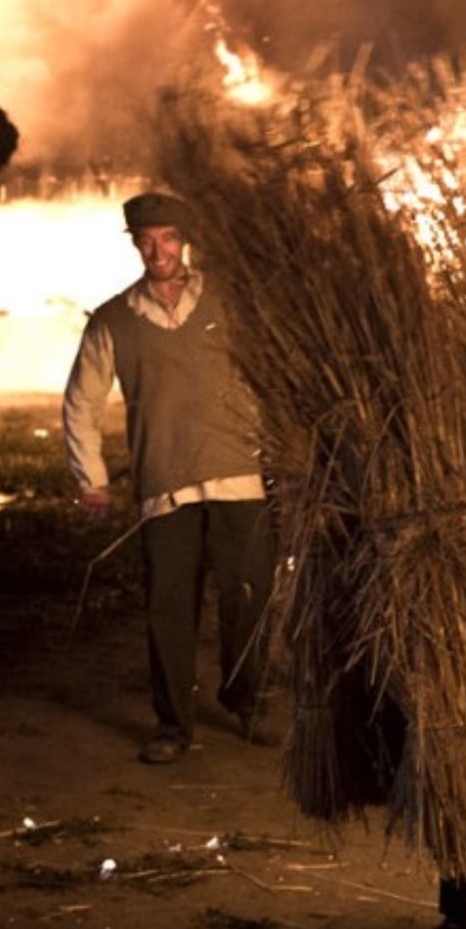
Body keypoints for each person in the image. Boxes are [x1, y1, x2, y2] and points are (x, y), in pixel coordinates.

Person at [62, 191, 277, 764]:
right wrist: (93, 479)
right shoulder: (113, 320)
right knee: (169, 607)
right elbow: (81, 401)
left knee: (249, 594)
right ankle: (173, 725)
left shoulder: (234, 303)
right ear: (135, 244)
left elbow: (273, 377)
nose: (158, 250)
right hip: (166, 482)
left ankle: (247, 697)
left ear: (186, 241)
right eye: (147, 240)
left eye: (168, 238)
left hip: (239, 477)